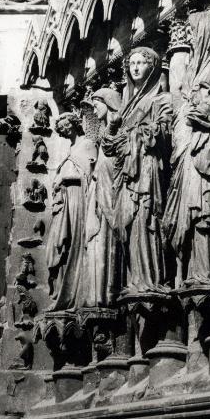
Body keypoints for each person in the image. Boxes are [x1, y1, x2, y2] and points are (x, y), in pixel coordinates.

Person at [163, 11, 210, 287]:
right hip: (189, 145)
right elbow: (182, 98)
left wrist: (198, 106)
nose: (193, 39)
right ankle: (193, 272)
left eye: (195, 33)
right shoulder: (195, 64)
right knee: (191, 208)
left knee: (208, 205)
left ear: (208, 31)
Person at [102, 47, 172, 294]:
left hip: (146, 171)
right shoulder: (126, 107)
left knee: (146, 219)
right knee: (128, 226)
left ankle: (150, 281)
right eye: (131, 63)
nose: (135, 67)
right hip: (125, 175)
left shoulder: (161, 99)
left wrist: (136, 134)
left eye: (141, 62)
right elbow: (109, 147)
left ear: (152, 67)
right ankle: (134, 281)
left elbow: (165, 132)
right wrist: (111, 129)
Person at [46, 112, 97, 311]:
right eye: (62, 128)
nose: (64, 130)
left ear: (75, 124)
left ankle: (76, 293)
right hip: (65, 202)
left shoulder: (87, 144)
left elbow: (93, 175)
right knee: (60, 245)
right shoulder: (70, 149)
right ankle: (63, 293)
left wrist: (66, 180)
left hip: (79, 202)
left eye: (67, 125)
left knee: (74, 241)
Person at [83, 88, 123, 308]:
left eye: (97, 103)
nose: (94, 108)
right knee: (95, 242)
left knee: (106, 240)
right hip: (98, 194)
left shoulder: (117, 127)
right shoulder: (103, 132)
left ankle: (107, 293)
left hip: (110, 194)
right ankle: (96, 293)